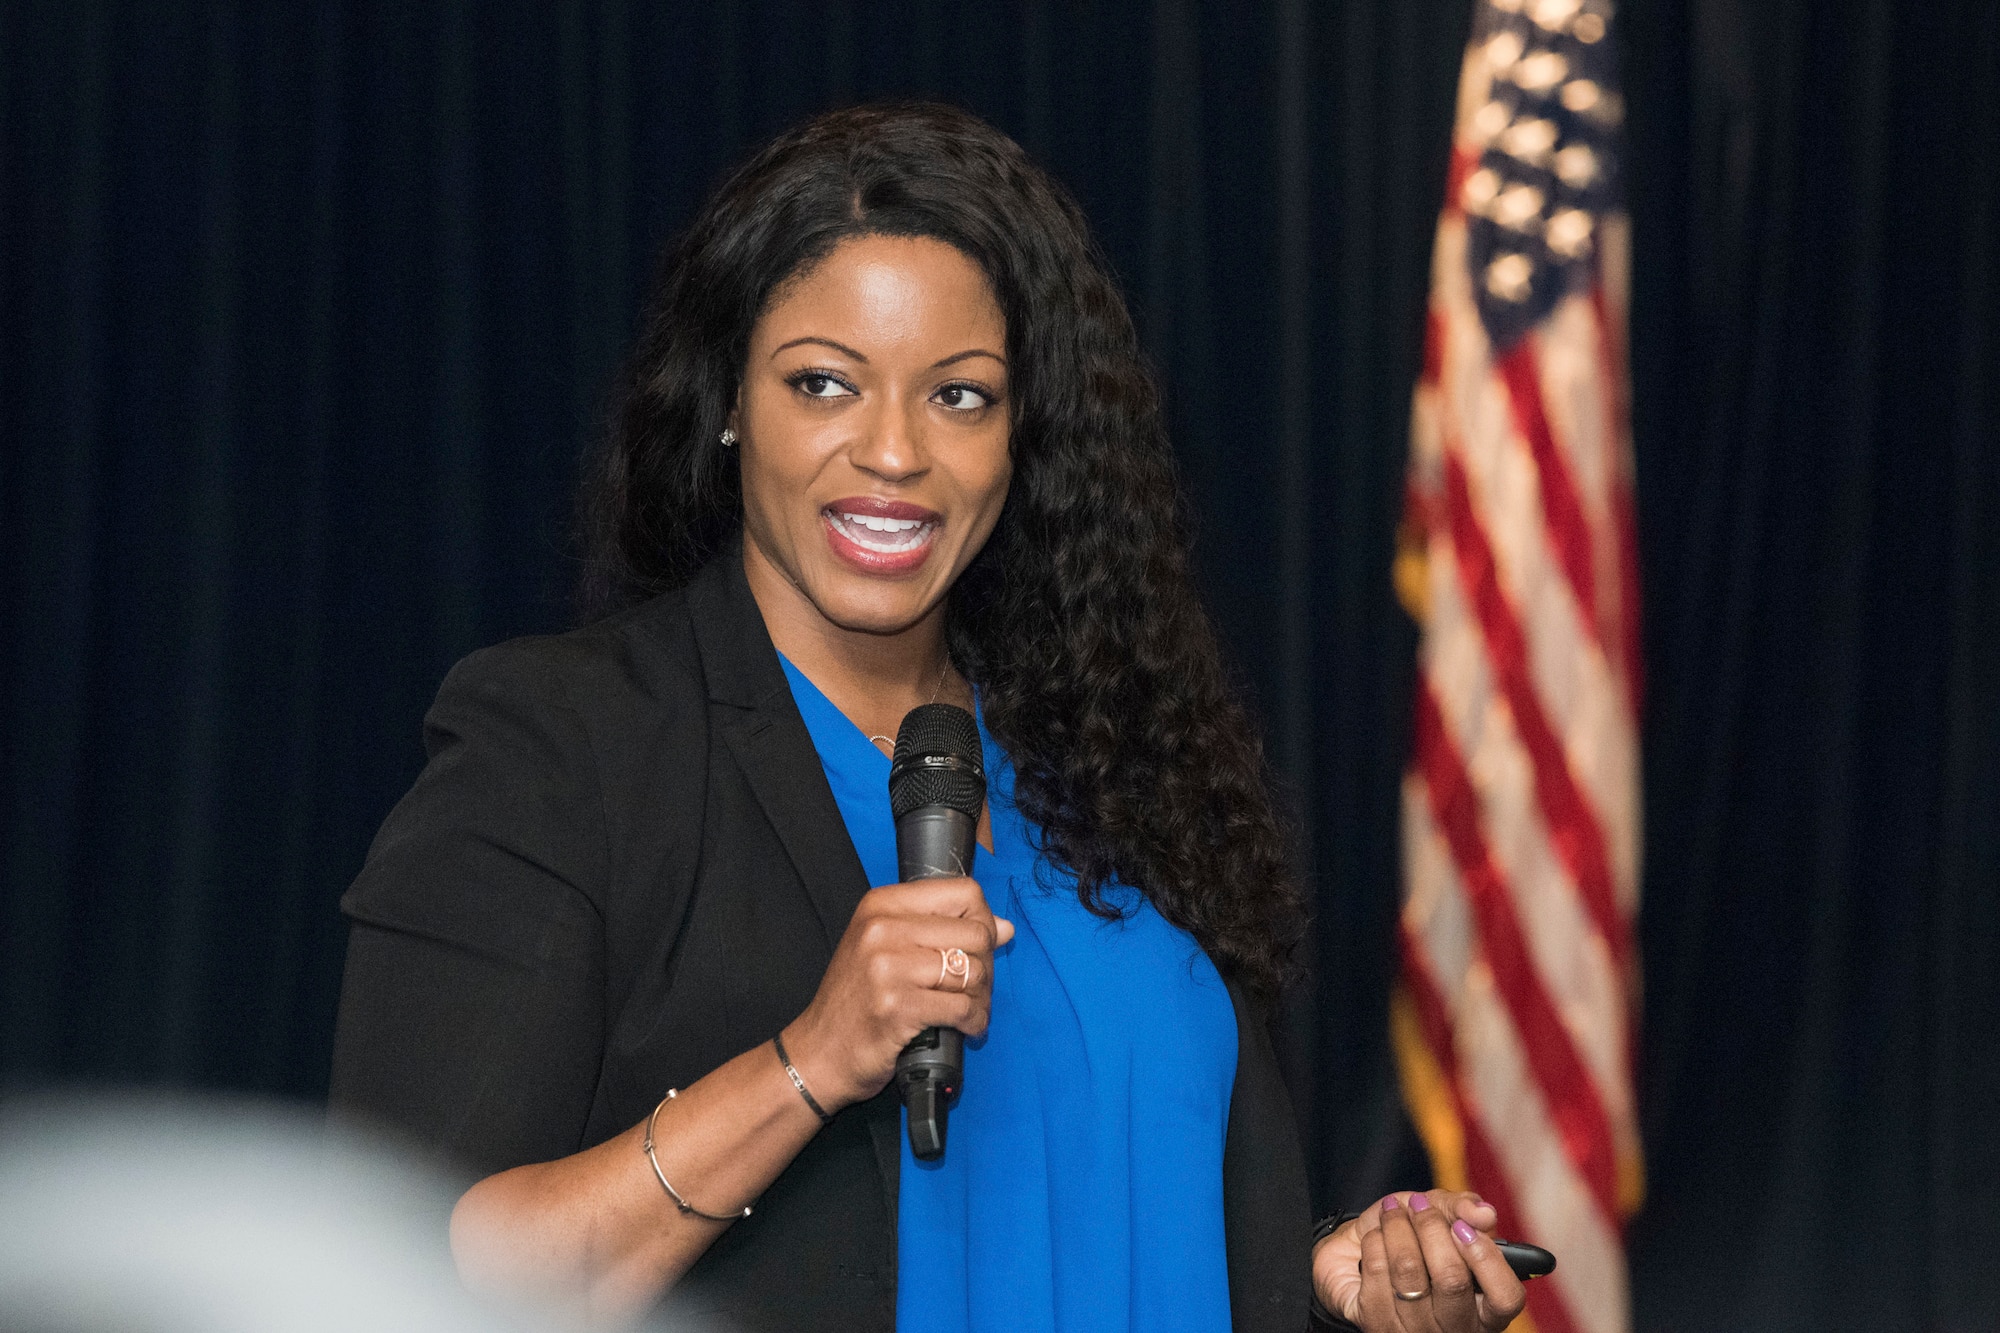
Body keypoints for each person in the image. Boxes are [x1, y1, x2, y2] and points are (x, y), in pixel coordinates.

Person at [329, 102, 1529, 1333]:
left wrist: (1331, 1288)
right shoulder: (564, 745)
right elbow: (392, 1268)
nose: (893, 451)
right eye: (823, 384)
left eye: (959, 396)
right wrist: (806, 1062)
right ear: (729, 402)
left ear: (1022, 438)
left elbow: (1148, 1229)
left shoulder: (1116, 768)